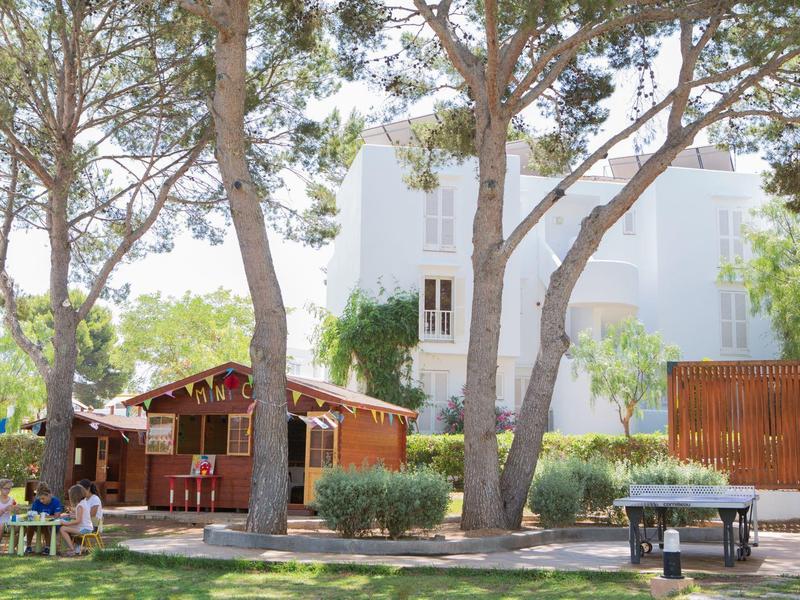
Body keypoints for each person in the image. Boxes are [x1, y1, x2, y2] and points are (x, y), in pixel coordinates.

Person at [25, 482, 63, 555]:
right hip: (39, 523)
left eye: (43, 498)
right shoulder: (37, 502)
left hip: (52, 525)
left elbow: (57, 516)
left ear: (49, 495)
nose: (41, 501)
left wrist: (45, 517)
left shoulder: (55, 501)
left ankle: (47, 547)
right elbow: (33, 514)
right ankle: (28, 546)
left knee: (45, 526)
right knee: (30, 526)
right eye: (40, 499)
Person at [59, 485, 93, 556]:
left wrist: (66, 523)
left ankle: (72, 549)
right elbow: (81, 517)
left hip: (85, 529)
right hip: (86, 527)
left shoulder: (80, 506)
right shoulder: (84, 503)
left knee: (62, 529)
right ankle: (77, 547)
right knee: (66, 528)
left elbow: (78, 521)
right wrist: (71, 515)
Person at [0, 478, 16, 551]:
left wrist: (16, 509)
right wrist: (5, 509)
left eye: (9, 488)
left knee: (23, 528)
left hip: (8, 524)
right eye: (5, 488)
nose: (7, 490)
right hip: (1, 523)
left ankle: (11, 548)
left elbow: (15, 513)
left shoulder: (12, 500)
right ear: (1, 488)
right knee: (1, 526)